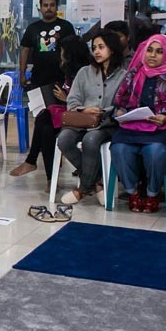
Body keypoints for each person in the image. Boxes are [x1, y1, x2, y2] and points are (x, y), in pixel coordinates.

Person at [110, 34, 166, 213]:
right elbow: (119, 101)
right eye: (150, 51)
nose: (153, 55)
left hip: (162, 128)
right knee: (119, 149)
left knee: (155, 151)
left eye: (159, 52)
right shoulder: (133, 73)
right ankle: (132, 192)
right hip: (131, 127)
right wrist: (120, 111)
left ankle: (153, 193)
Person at [10, 36, 91, 189]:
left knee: (45, 123)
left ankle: (33, 163)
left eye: (61, 51)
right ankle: (45, 175)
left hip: (80, 117)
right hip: (68, 114)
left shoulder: (85, 73)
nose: (59, 55)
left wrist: (66, 99)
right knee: (45, 122)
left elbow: (88, 101)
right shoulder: (68, 71)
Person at [56, 30, 126, 205]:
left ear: (112, 49)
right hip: (82, 120)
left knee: (91, 139)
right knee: (64, 139)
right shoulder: (84, 72)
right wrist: (84, 109)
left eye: (101, 47)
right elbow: (72, 99)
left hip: (106, 124)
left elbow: (123, 105)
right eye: (94, 47)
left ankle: (82, 189)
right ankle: (96, 182)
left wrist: (104, 111)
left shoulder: (124, 76)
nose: (96, 51)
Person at [18, 0, 75, 91]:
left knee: (59, 106)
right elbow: (25, 50)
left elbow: (73, 51)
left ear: (57, 7)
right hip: (38, 76)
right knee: (39, 106)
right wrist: (22, 73)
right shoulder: (33, 28)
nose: (49, 8)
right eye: (45, 5)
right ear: (40, 8)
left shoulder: (66, 26)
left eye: (52, 5)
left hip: (61, 77)